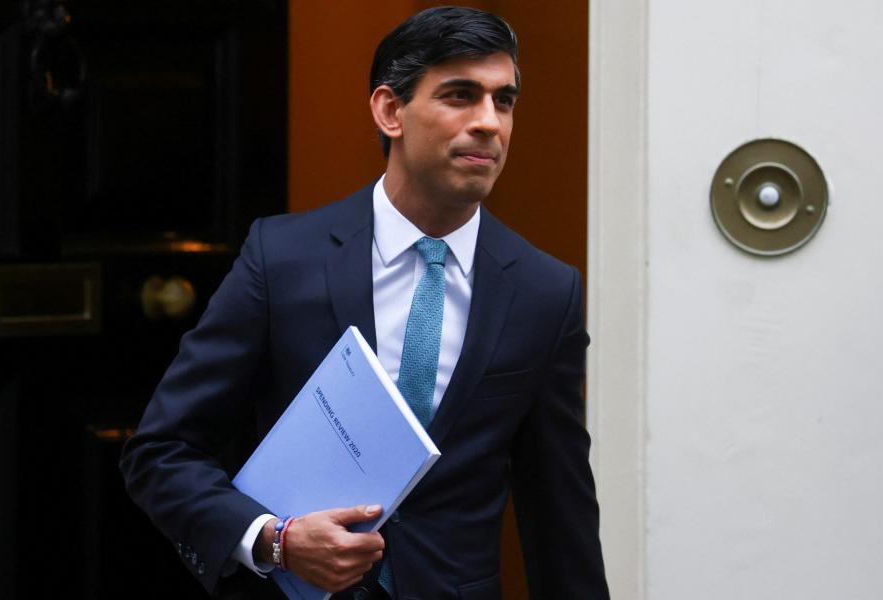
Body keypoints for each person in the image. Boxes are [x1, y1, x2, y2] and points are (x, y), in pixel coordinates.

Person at [120, 6, 608, 599]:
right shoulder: (281, 258)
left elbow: (560, 513)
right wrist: (276, 539)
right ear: (390, 110)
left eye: (503, 101)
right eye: (460, 95)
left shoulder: (546, 292)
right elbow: (161, 450)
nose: (489, 123)